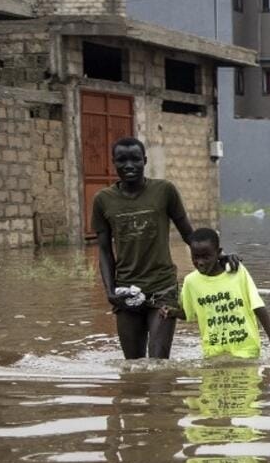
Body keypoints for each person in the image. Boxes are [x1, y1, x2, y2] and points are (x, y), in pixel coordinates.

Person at [92, 136, 233, 360]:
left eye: (135, 159)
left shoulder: (164, 191)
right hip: (126, 293)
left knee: (158, 365)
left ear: (145, 160)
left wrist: (222, 257)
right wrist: (110, 292)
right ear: (113, 163)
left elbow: (189, 235)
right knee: (134, 366)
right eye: (122, 160)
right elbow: (104, 251)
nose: (129, 165)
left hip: (162, 289)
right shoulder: (103, 200)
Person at [162, 228, 270, 360]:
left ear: (218, 253)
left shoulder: (237, 272)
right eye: (195, 257)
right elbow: (189, 314)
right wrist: (172, 312)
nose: (200, 262)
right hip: (213, 353)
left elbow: (258, 306)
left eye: (206, 257)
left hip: (246, 350)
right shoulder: (190, 282)